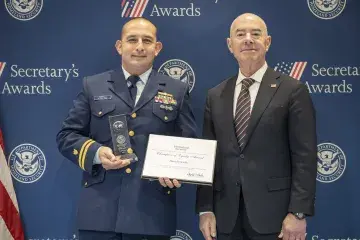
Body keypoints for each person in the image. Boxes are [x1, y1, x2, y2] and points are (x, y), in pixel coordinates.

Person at [56, 17, 197, 240]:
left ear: (157, 48)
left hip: (152, 215)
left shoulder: (177, 90)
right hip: (99, 213)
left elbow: (188, 143)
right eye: (132, 40)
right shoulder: (93, 85)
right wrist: (96, 153)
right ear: (119, 46)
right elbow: (67, 136)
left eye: (147, 40)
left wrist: (176, 169)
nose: (140, 46)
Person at [196, 13, 317, 240]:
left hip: (276, 217)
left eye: (256, 34)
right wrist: (205, 208)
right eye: (240, 35)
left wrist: (298, 212)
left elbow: (305, 156)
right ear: (230, 45)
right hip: (225, 217)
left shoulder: (293, 90)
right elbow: (207, 157)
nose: (248, 39)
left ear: (267, 42)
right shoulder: (215, 95)